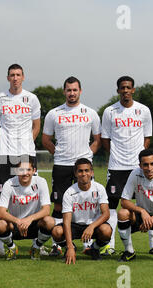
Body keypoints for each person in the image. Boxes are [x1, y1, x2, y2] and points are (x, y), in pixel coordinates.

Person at [42, 76, 101, 256]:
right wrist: (59, 153)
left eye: (75, 90)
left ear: (80, 91)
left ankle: (86, 245)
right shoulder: (54, 113)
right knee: (59, 206)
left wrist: (87, 156)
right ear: (64, 92)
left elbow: (98, 139)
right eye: (69, 90)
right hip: (61, 166)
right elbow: (46, 139)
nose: (72, 93)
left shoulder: (90, 113)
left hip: (83, 167)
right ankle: (57, 244)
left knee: (87, 204)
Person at [0, 63, 41, 257]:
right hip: (5, 155)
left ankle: (37, 242)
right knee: (1, 197)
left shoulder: (32, 98)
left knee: (33, 195)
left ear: (23, 77)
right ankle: (0, 245)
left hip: (27, 154)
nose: (15, 78)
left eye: (18, 75)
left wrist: (26, 144)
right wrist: (5, 144)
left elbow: (36, 126)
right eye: (12, 75)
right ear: (7, 78)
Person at [101, 76, 153, 255]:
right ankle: (110, 244)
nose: (125, 90)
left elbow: (147, 137)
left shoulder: (143, 110)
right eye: (122, 88)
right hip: (117, 167)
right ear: (118, 90)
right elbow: (105, 139)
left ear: (133, 90)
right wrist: (116, 155)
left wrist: (139, 158)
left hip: (138, 167)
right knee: (111, 206)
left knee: (149, 203)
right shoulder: (110, 111)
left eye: (128, 88)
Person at [52, 158, 112, 264]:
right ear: (75, 173)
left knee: (106, 231)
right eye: (80, 171)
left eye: (87, 170)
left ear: (92, 172)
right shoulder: (69, 192)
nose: (83, 174)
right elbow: (66, 221)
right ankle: (71, 248)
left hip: (93, 225)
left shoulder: (99, 188)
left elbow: (106, 213)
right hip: (74, 225)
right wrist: (69, 246)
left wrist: (92, 226)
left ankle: (94, 248)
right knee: (56, 232)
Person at [0, 158, 54, 260]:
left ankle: (36, 248)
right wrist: (18, 221)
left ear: (34, 171)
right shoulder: (9, 184)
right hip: (15, 224)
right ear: (16, 171)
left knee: (50, 221)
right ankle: (12, 248)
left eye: (28, 170)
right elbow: (0, 212)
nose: (25, 173)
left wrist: (30, 219)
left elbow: (46, 210)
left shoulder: (41, 182)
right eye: (21, 170)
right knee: (0, 225)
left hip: (34, 224)